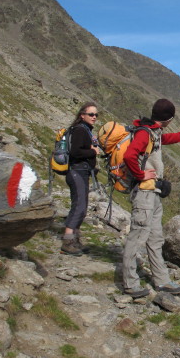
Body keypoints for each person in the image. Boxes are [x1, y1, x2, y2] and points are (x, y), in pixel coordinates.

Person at [121, 98, 180, 298]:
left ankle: (162, 280)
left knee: (155, 238)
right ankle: (130, 283)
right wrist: (140, 174)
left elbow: (162, 140)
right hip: (144, 194)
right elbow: (129, 156)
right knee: (137, 238)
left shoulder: (153, 131)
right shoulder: (144, 134)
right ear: (169, 119)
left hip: (153, 193)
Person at [61, 102, 100, 255]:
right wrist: (93, 152)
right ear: (82, 115)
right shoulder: (79, 131)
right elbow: (76, 152)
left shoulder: (85, 130)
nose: (94, 117)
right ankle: (68, 241)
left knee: (81, 207)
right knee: (79, 207)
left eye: (96, 115)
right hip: (77, 172)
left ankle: (75, 240)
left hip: (81, 172)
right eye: (91, 114)